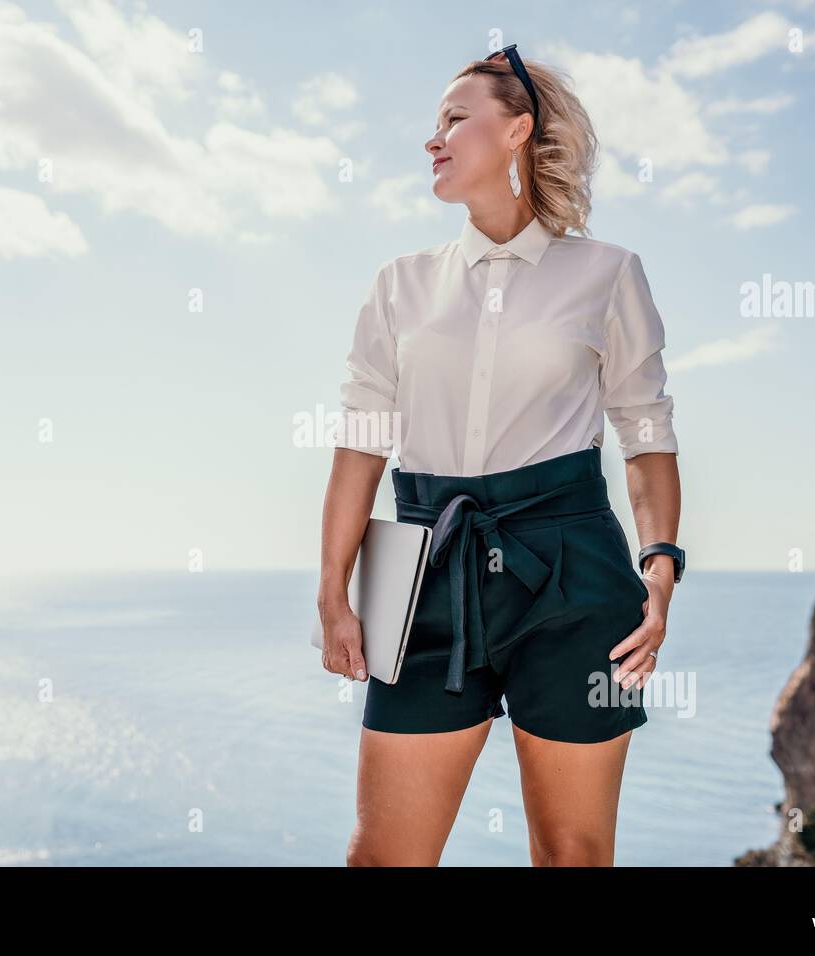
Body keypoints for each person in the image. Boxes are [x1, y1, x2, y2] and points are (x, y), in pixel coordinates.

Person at [317, 45, 685, 867]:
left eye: (454, 118)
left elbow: (647, 434)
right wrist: (334, 592)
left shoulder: (608, 273)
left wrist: (659, 571)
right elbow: (360, 445)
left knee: (572, 855)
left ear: (518, 130)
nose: (433, 140)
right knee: (383, 857)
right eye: (433, 123)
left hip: (572, 572)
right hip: (421, 571)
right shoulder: (399, 284)